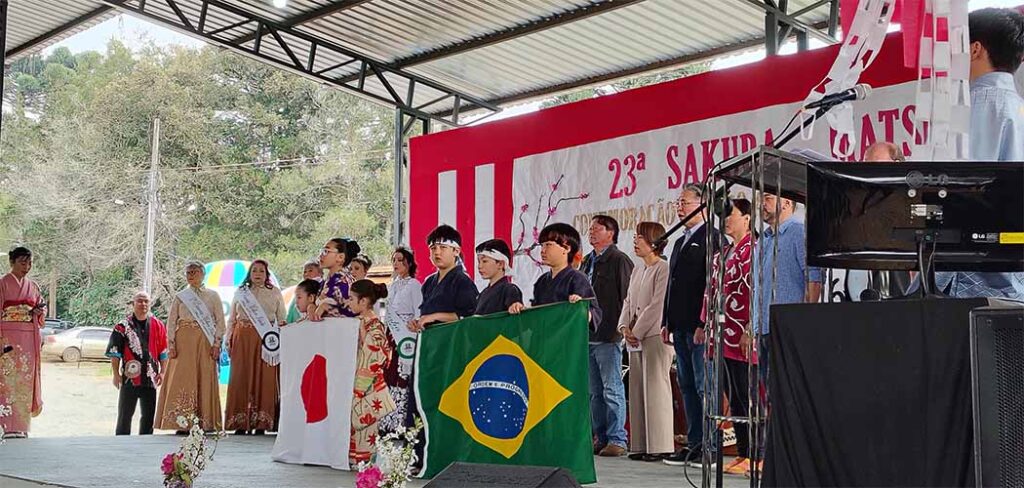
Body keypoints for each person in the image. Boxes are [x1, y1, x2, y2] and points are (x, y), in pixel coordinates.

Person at [933, 8, 1024, 300]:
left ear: (974, 49)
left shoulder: (976, 105)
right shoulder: (1018, 108)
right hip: (1013, 277)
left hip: (973, 278)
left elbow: (965, 190)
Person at [663, 184, 721, 468]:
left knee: (703, 385)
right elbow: (671, 285)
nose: (680, 207)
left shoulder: (713, 237)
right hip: (679, 325)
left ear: (703, 204)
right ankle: (694, 443)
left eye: (685, 202)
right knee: (686, 385)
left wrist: (703, 322)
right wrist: (666, 321)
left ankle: (711, 446)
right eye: (679, 202)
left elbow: (712, 285)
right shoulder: (679, 241)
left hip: (700, 327)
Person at [702, 200, 757, 475]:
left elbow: (755, 291)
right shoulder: (722, 252)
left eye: (731, 215)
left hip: (742, 331)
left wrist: (750, 326)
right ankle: (743, 451)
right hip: (722, 332)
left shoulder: (754, 249)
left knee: (748, 393)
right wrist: (704, 323)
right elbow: (709, 290)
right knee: (733, 395)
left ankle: (756, 454)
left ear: (747, 218)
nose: (726, 220)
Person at [616, 222, 671, 462]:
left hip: (654, 335)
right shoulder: (638, 270)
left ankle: (660, 444)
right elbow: (629, 301)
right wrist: (624, 327)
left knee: (656, 388)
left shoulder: (663, 268)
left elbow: (657, 305)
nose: (635, 241)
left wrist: (636, 330)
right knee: (637, 389)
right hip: (635, 337)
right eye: (636, 236)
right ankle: (639, 443)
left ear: (654, 241)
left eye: (640, 237)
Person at [581, 215, 633, 457]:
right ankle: (599, 437)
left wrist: (622, 327)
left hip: (608, 334)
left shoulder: (619, 260)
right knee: (594, 391)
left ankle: (617, 439)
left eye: (597, 228)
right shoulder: (586, 261)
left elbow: (627, 297)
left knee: (612, 388)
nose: (591, 232)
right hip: (587, 334)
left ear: (611, 233)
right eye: (590, 228)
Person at [156, 262, 226, 432]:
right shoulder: (181, 296)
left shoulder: (213, 295)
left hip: (205, 341)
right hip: (183, 341)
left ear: (203, 274)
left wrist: (217, 343)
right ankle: (181, 421)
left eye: (194, 272)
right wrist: (170, 344)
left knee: (204, 376)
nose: (191, 275)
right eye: (188, 272)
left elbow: (220, 323)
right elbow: (171, 321)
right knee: (183, 378)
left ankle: (205, 421)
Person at [224, 259, 286, 435]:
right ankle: (240, 422)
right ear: (249, 274)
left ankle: (261, 422)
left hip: (266, 340)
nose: (258, 274)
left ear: (267, 274)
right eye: (254, 271)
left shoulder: (274, 292)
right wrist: (228, 340)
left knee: (263, 378)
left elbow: (281, 317)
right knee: (240, 377)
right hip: (242, 337)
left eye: (262, 271)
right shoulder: (241, 292)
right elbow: (232, 320)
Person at [508, 223, 602, 327]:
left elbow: (595, 314)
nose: (543, 250)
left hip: (565, 341)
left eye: (548, 245)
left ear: (567, 248)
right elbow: (535, 317)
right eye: (542, 245)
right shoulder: (542, 281)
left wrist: (581, 308)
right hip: (542, 339)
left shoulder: (577, 278)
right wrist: (520, 309)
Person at [346, 279, 396, 465]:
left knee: (365, 427)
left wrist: (359, 387)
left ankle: (365, 467)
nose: (348, 302)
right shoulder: (359, 324)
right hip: (358, 382)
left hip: (367, 386)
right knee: (358, 426)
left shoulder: (374, 327)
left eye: (352, 298)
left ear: (364, 301)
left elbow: (373, 360)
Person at [0, 247, 47, 439]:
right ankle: (4, 424)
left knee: (25, 380)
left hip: (27, 336)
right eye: (22, 262)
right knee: (5, 378)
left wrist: (38, 312)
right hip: (6, 335)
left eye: (29, 263)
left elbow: (41, 308)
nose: (26, 267)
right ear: (11, 262)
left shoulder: (33, 286)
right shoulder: (2, 284)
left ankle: (21, 425)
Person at [107, 291, 168, 436]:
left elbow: (164, 352)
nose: (143, 304)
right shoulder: (122, 326)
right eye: (140, 301)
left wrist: (163, 372)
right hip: (129, 379)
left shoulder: (158, 325)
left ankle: (145, 446)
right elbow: (115, 353)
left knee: (148, 417)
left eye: (146, 301)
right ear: (133, 304)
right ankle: (121, 445)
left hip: (151, 379)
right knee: (125, 416)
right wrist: (116, 375)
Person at [379, 247, 421, 435]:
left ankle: (402, 422)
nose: (396, 263)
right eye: (394, 260)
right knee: (389, 374)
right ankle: (387, 421)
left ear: (408, 263)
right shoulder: (393, 285)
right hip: (392, 335)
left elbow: (418, 311)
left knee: (403, 376)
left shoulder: (414, 285)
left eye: (399, 260)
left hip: (406, 335)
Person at [409, 225, 478, 331]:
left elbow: (469, 317)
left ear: (456, 251)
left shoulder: (463, 281)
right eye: (433, 248)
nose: (437, 252)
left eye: (443, 247)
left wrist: (434, 317)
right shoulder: (429, 282)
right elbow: (427, 314)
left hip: (453, 342)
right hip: (430, 341)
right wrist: (419, 322)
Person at [311, 238, 361, 321]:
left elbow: (351, 312)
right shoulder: (328, 280)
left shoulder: (343, 281)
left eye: (326, 251)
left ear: (340, 257)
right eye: (322, 251)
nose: (321, 255)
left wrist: (326, 307)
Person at [474, 239, 523, 316]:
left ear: (500, 264)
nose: (480, 266)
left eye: (484, 261)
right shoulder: (482, 294)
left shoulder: (509, 289)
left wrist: (515, 306)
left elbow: (515, 307)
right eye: (479, 262)